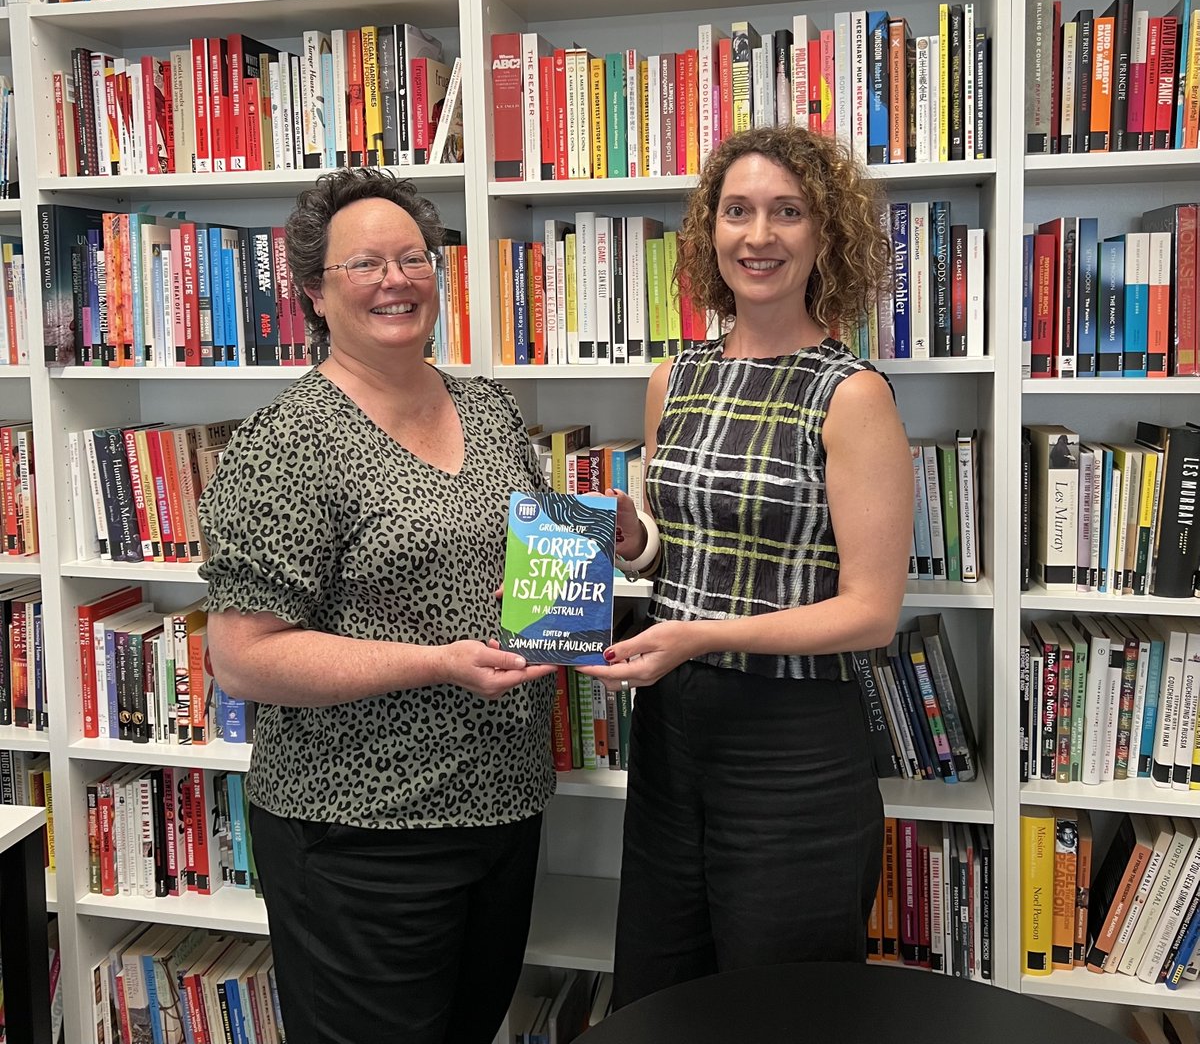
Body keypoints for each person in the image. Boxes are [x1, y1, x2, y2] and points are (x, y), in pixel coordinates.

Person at [197, 169, 557, 1044]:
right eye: (364, 265)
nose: (396, 280)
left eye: (413, 259)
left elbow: (533, 559)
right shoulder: (289, 441)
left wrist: (605, 556)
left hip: (503, 808)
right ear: (315, 293)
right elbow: (243, 657)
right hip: (361, 835)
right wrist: (435, 662)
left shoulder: (486, 404)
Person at [580, 125, 913, 1008]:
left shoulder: (852, 394)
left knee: (778, 1009)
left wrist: (697, 637)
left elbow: (872, 612)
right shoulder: (674, 377)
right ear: (709, 234)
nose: (758, 236)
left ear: (824, 237)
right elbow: (674, 553)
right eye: (737, 212)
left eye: (786, 213)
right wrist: (632, 538)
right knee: (659, 992)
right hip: (672, 728)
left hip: (793, 744)